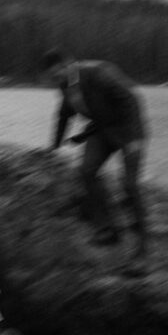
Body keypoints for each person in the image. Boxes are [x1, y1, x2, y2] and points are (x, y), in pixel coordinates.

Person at [41, 49, 149, 262]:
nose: (58, 78)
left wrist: (134, 140)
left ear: (68, 63)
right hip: (102, 131)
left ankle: (142, 243)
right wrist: (53, 148)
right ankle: (108, 228)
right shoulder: (65, 87)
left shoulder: (98, 73)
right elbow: (63, 116)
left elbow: (131, 99)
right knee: (86, 171)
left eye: (60, 72)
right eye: (54, 77)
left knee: (128, 184)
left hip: (129, 130)